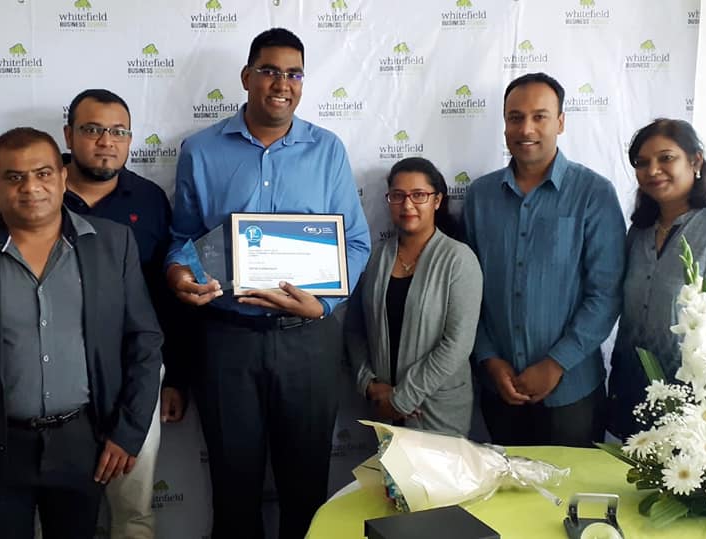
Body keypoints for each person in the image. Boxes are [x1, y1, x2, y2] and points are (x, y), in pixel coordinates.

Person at [0, 127, 163, 539]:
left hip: (84, 444)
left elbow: (144, 342)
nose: (31, 188)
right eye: (14, 177)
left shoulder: (113, 244)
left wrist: (128, 434)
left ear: (63, 177)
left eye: (43, 174)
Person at [165, 28, 371, 539]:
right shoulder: (201, 150)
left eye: (294, 74)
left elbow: (356, 243)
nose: (282, 83)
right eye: (270, 71)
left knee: (306, 487)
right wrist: (178, 272)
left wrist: (324, 305)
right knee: (234, 488)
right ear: (247, 77)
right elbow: (184, 238)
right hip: (227, 340)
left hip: (307, 341)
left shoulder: (327, 150)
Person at [463, 72, 626, 447]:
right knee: (503, 485)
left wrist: (556, 363)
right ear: (505, 124)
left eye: (540, 116)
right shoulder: (480, 196)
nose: (526, 129)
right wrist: (489, 358)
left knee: (573, 485)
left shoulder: (594, 193)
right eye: (515, 117)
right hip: (499, 387)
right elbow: (468, 291)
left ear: (561, 122)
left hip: (572, 391)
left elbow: (606, 293)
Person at [61, 88, 189, 539]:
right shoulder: (38, 191)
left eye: (118, 132)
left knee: (133, 510)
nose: (106, 142)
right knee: (55, 512)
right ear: (69, 135)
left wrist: (174, 378)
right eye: (93, 130)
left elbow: (166, 296)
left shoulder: (149, 199)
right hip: (54, 375)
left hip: (135, 372)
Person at [607, 118, 706, 440]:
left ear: (695, 161)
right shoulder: (640, 231)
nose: (653, 170)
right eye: (642, 162)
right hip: (632, 391)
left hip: (699, 404)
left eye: (666, 158)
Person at [346, 157, 482, 436]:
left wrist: (403, 398)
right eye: (398, 196)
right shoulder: (376, 257)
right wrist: (369, 384)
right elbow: (355, 328)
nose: (407, 205)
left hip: (436, 411)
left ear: (437, 200)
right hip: (383, 410)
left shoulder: (458, 259)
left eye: (419, 195)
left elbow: (457, 344)